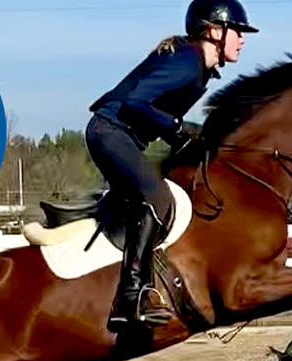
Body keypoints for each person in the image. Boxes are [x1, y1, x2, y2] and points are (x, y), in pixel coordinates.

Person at [86, 0, 258, 331]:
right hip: (110, 133)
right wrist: (178, 131)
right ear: (214, 31)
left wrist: (183, 138)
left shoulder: (196, 64)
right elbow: (137, 102)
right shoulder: (187, 61)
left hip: (120, 136)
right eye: (237, 31)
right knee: (157, 197)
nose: (243, 39)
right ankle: (130, 297)